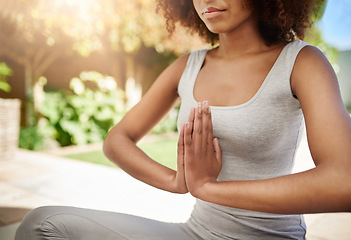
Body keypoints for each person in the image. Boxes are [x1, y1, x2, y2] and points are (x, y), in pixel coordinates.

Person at [16, 0, 351, 239]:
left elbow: (343, 183)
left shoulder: (301, 62)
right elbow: (117, 139)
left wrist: (208, 188)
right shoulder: (189, 66)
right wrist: (177, 182)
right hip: (197, 232)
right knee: (42, 224)